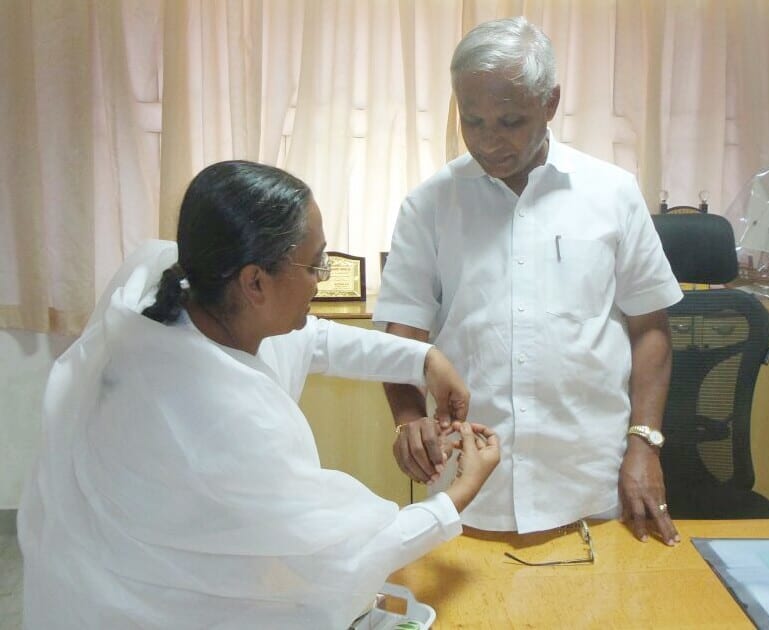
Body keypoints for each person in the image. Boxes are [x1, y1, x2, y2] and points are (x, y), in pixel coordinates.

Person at [17, 160, 500, 629]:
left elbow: (316, 339)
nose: (322, 278)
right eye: (316, 264)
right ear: (255, 282)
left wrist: (424, 360)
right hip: (151, 604)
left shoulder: (193, 293)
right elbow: (346, 554)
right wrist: (459, 494)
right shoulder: (218, 417)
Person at [374, 16, 683, 545]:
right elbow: (403, 334)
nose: (489, 141)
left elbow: (649, 328)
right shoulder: (429, 205)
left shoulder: (611, 193)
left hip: (593, 485)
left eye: (510, 121)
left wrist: (644, 443)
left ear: (550, 103)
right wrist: (408, 419)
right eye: (472, 121)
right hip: (471, 491)